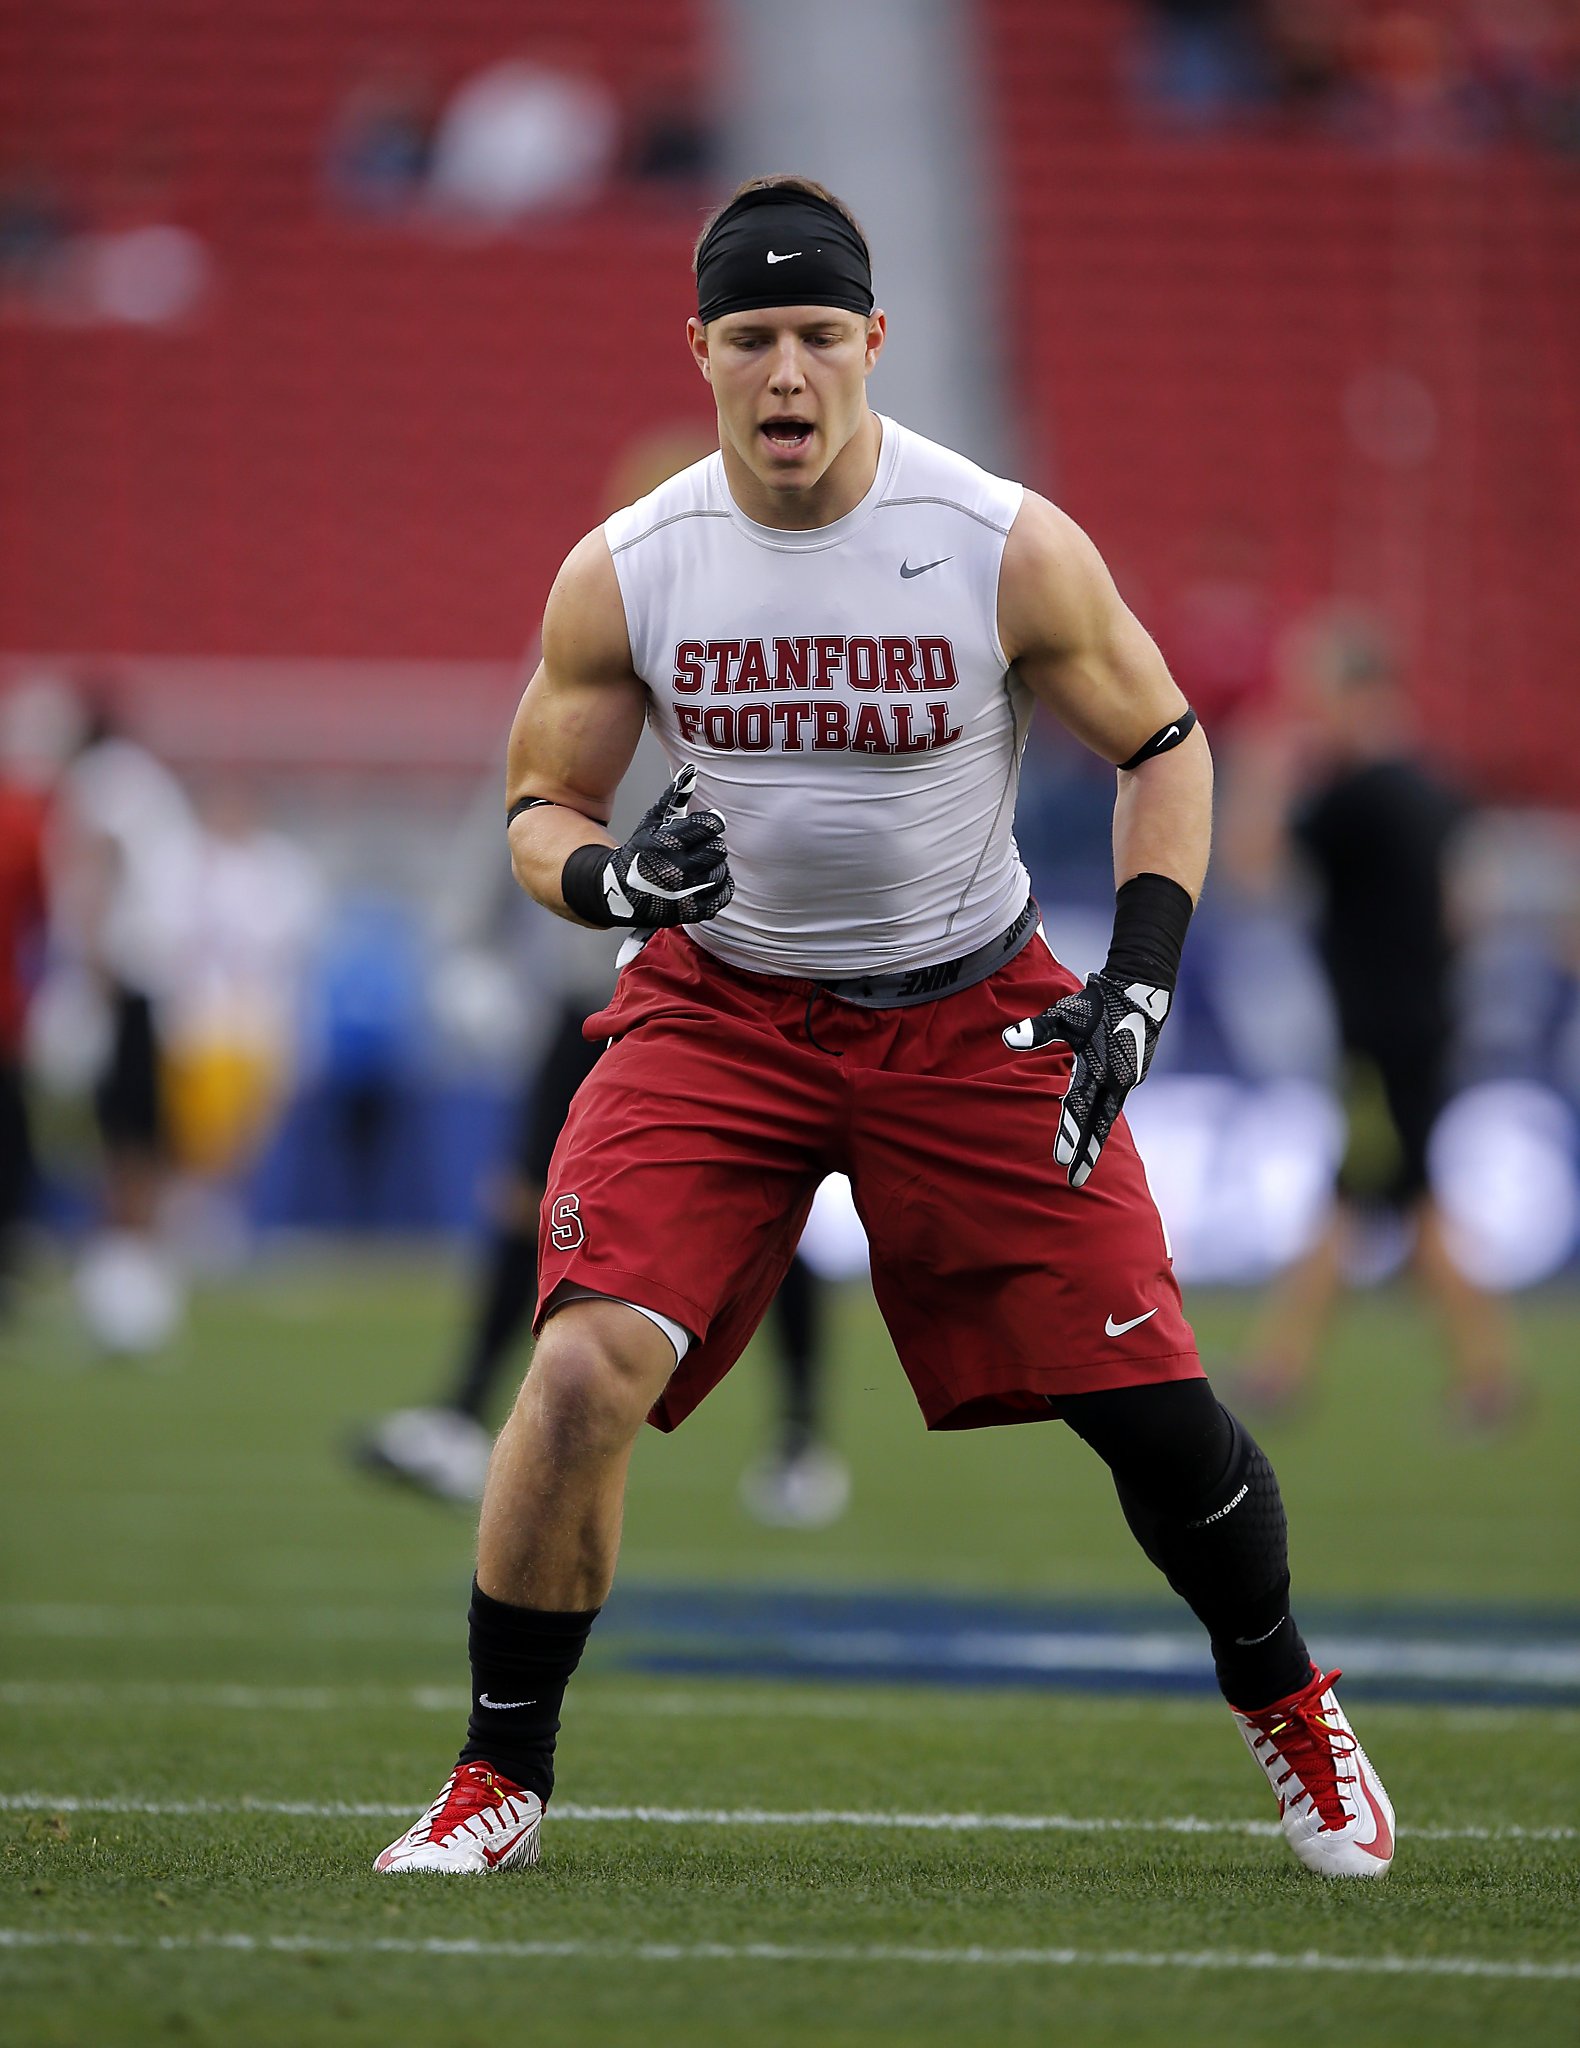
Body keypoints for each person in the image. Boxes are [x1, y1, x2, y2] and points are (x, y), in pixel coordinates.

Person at [374, 174, 1394, 1881]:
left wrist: (1137, 977)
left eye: (818, 336)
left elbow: (1166, 746)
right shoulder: (633, 565)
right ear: (699, 349)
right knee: (575, 1370)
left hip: (968, 998)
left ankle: (1291, 1702)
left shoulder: (998, 537)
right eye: (753, 337)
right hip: (723, 1010)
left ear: (874, 344)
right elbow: (538, 810)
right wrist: (620, 882)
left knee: (1149, 1403)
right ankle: (500, 1777)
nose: (787, 373)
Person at [353, 910, 847, 1526]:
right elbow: (526, 861)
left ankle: (800, 1439)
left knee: (774, 1211)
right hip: (593, 1000)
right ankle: (461, 1415)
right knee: (528, 1201)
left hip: (727, 1006)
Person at [1226, 607, 1523, 1428]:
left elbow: (1252, 867)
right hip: (1422, 1027)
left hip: (1380, 1039)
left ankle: (1479, 1378)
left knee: (1386, 1200)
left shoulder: (1356, 797)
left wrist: (1259, 768)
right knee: (1376, 1198)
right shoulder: (1433, 789)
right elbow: (1472, 905)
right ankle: (1286, 1367)